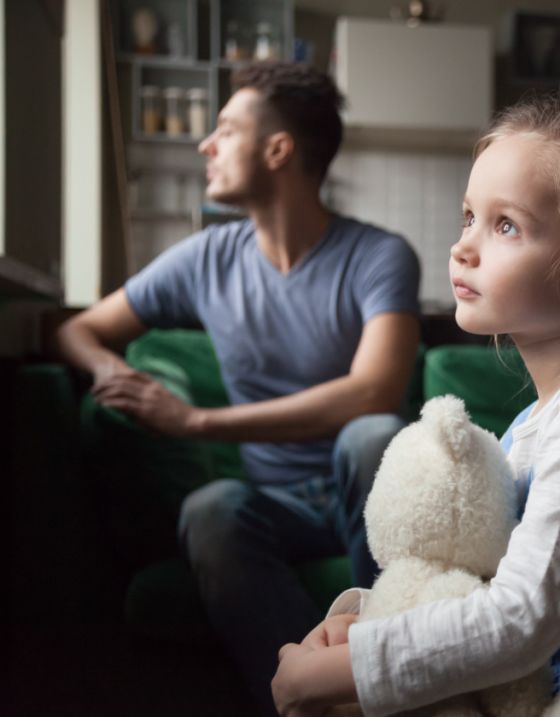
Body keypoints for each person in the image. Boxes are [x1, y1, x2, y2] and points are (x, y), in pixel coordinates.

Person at [270, 92, 560, 716]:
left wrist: (341, 669)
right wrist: (361, 624)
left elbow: (522, 618)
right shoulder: (534, 425)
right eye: (468, 217)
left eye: (505, 225)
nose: (464, 246)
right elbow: (481, 586)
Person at [56, 62, 421, 715]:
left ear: (278, 150)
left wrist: (195, 420)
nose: (206, 144)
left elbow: (373, 392)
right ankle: (314, 699)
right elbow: (79, 330)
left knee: (376, 436)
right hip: (279, 503)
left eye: (226, 129)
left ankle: (385, 670)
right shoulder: (206, 258)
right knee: (211, 507)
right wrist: (110, 370)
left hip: (361, 495)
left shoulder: (379, 254)